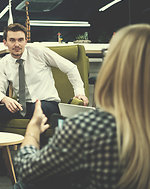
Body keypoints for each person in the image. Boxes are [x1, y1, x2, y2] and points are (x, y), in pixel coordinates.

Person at [14, 23, 150, 189]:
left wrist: (32, 130)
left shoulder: (86, 128)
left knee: (23, 185)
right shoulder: (6, 63)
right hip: (25, 104)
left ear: (115, 66)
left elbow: (27, 171)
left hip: (46, 107)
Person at [0, 23, 88, 178]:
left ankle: (36, 166)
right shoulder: (4, 62)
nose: (17, 44)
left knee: (40, 108)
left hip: (47, 104)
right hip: (22, 106)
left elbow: (70, 68)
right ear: (5, 42)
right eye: (12, 40)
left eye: (20, 39)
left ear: (26, 40)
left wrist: (80, 92)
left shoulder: (39, 52)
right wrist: (5, 99)